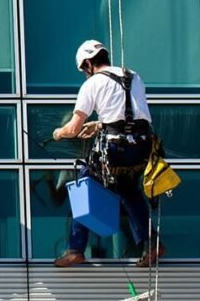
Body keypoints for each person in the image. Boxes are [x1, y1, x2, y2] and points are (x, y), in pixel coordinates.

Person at [52, 40, 164, 268]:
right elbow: (131, 116)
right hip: (142, 146)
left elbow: (73, 127)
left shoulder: (93, 83)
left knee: (84, 181)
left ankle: (75, 248)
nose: (85, 73)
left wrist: (59, 132)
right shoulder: (133, 76)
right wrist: (99, 125)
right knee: (128, 188)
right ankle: (152, 244)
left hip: (116, 148)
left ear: (89, 63)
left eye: (84, 69)